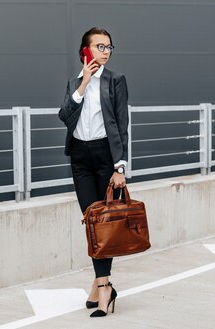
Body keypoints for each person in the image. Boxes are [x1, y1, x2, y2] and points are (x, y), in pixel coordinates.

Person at [58, 27, 128, 318]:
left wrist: (120, 167)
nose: (106, 51)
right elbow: (64, 115)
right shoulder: (75, 83)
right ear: (84, 52)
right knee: (91, 221)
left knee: (103, 223)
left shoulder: (115, 81)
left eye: (109, 47)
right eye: (100, 46)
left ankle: (104, 288)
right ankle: (101, 285)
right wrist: (84, 84)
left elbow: (122, 124)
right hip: (80, 157)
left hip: (104, 156)